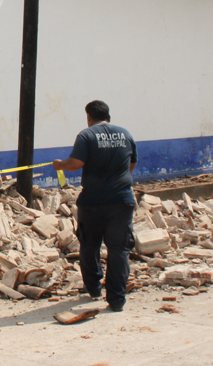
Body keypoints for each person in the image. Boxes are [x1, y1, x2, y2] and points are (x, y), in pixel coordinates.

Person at [52, 100, 137, 312]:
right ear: (108, 115)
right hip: (122, 201)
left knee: (90, 246)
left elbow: (75, 163)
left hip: (93, 203)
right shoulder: (125, 134)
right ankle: (117, 299)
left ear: (89, 117)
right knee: (119, 250)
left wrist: (59, 165)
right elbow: (131, 164)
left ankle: (94, 288)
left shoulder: (87, 135)